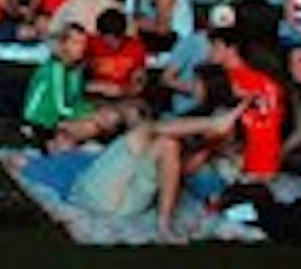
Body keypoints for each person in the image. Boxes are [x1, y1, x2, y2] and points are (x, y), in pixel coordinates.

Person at [70, 93, 247, 242]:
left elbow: (182, 172)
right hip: (104, 193)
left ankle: (164, 224)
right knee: (153, 136)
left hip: (114, 201)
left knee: (154, 136)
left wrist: (213, 144)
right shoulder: (172, 130)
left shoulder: (204, 154)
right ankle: (214, 122)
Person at [208, 27, 285, 180]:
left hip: (248, 166)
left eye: (215, 46)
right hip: (263, 165)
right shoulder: (263, 80)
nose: (210, 51)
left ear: (232, 49)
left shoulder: (239, 82)